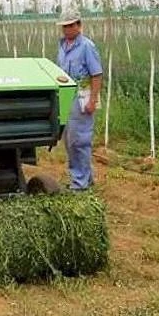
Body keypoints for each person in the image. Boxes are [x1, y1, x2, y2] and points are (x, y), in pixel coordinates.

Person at [56, 11, 103, 191]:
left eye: (71, 25)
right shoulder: (62, 46)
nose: (67, 29)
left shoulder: (86, 46)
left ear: (79, 25)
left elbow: (96, 74)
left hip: (82, 96)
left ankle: (79, 184)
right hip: (66, 96)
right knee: (68, 140)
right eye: (65, 26)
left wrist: (92, 100)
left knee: (79, 140)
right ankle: (86, 177)